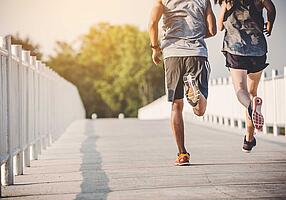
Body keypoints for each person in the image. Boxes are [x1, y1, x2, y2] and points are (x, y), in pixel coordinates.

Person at [149, 0, 217, 166]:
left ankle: (182, 153)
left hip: (173, 54)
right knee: (199, 111)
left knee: (176, 106)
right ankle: (195, 91)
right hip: (197, 53)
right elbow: (212, 30)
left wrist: (155, 48)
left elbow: (152, 23)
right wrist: (197, 34)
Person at [214, 0, 276, 152]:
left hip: (236, 51)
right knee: (252, 93)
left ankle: (250, 107)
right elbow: (271, 8)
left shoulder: (227, 1)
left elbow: (220, 26)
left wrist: (226, 10)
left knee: (241, 91)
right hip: (258, 51)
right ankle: (249, 139)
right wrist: (270, 23)